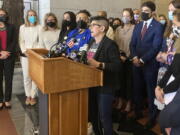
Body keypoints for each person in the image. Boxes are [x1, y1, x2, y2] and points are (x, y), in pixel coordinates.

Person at [130, 1, 163, 129]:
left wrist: (142, 59)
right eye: (142, 10)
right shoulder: (138, 25)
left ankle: (152, 117)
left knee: (150, 91)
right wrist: (134, 57)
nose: (143, 13)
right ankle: (137, 112)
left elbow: (156, 47)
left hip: (150, 64)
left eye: (146, 12)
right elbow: (132, 43)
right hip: (136, 63)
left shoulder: (158, 26)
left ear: (152, 12)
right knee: (137, 89)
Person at [88, 16, 121, 135]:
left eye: (93, 25)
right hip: (92, 83)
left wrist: (99, 64)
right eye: (90, 25)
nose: (90, 27)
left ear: (102, 28)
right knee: (93, 115)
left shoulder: (110, 45)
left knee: (104, 117)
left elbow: (117, 66)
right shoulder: (91, 42)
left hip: (106, 85)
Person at [114, 8, 135, 113]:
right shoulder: (118, 29)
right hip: (119, 58)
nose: (125, 17)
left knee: (129, 82)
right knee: (120, 81)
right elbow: (115, 44)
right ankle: (120, 101)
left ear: (131, 17)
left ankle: (129, 103)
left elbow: (135, 44)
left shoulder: (135, 28)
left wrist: (127, 57)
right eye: (123, 15)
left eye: (127, 16)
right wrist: (119, 56)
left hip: (130, 59)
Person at [19, 10, 41, 106]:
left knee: (35, 77)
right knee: (26, 76)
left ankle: (33, 96)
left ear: (36, 16)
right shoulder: (22, 27)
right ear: (27, 17)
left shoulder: (40, 28)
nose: (32, 17)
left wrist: (34, 52)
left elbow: (40, 42)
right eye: (30, 15)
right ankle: (28, 95)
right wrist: (25, 51)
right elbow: (21, 41)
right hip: (25, 55)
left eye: (33, 15)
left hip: (36, 55)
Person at [0, 9, 17, 109]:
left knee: (8, 78)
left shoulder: (12, 27)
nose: (1, 16)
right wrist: (0, 52)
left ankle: (7, 99)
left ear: (6, 15)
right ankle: (0, 100)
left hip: (9, 56)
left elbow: (14, 41)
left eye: (3, 14)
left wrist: (6, 52)